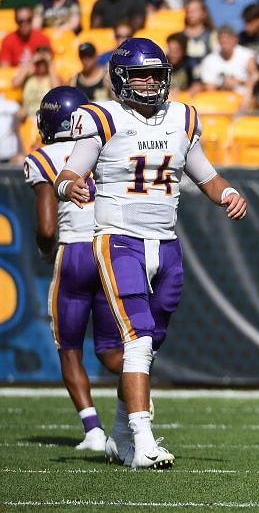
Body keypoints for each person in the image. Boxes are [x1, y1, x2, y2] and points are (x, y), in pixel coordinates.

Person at [54, 38, 248, 469]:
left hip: (167, 244)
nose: (149, 83)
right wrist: (71, 186)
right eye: (140, 74)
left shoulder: (181, 117)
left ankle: (122, 436)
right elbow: (67, 174)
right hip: (119, 239)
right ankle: (143, 441)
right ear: (120, 78)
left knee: (147, 346)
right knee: (138, 340)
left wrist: (230, 192)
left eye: (156, 74)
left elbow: (208, 177)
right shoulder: (101, 118)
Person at [23, 86, 124, 452]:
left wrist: (44, 249)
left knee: (69, 347)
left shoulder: (43, 158)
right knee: (116, 350)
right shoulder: (103, 145)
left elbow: (48, 228)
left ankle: (94, 431)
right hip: (111, 249)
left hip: (75, 254)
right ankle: (137, 401)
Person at [199, 25, 257, 94]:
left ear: (235, 39)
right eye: (222, 42)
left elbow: (255, 75)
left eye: (228, 40)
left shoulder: (247, 55)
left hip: (242, 95)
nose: (225, 45)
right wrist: (223, 85)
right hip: (220, 98)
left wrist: (238, 82)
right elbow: (208, 87)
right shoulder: (209, 60)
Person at [13, 45, 61, 118]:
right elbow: (15, 83)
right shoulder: (29, 77)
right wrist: (32, 61)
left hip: (46, 117)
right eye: (39, 62)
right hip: (27, 117)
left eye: (44, 62)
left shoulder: (53, 78)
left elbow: (56, 90)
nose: (41, 64)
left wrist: (49, 62)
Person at [183, 0, 217, 76]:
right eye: (188, 11)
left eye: (194, 11)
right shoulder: (180, 36)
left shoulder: (211, 35)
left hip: (206, 75)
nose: (191, 14)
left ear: (203, 13)